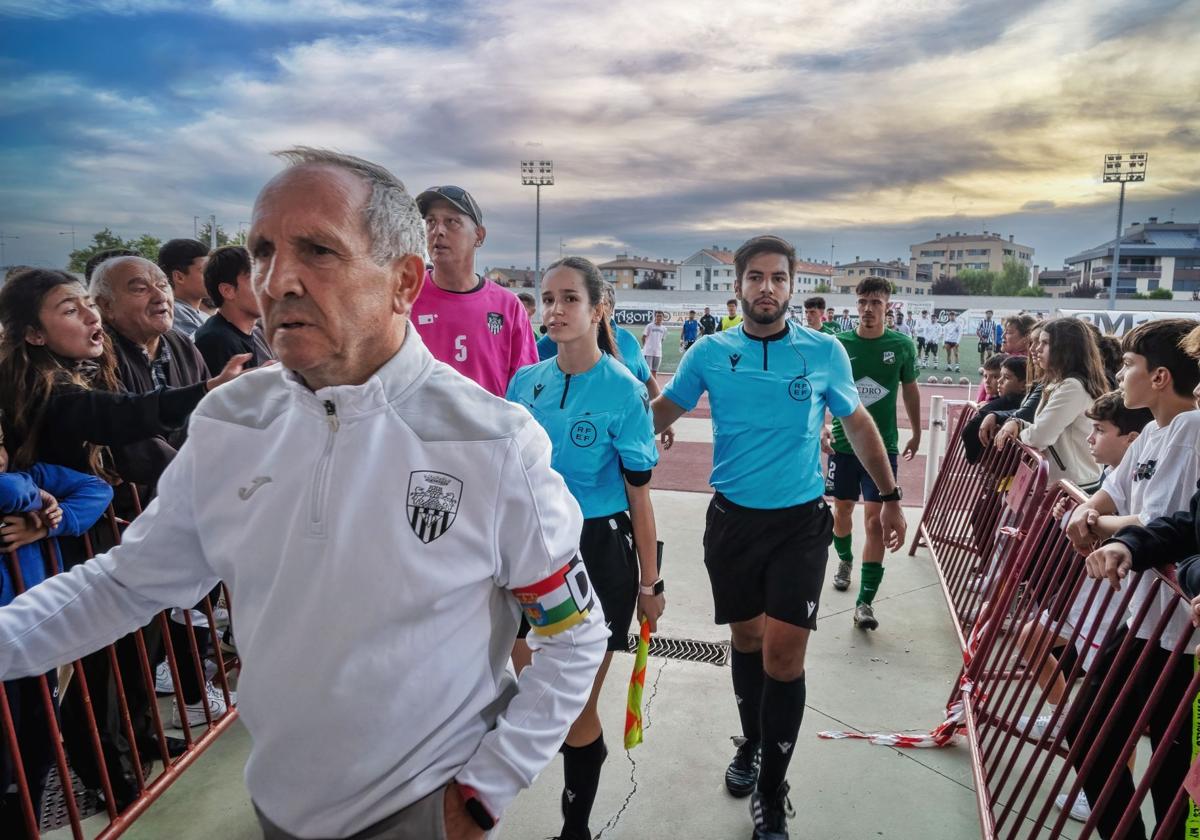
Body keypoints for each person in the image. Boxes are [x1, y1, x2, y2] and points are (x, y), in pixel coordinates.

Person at [0, 148, 608, 840]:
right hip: (276, 807)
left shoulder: (494, 443)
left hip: (423, 813)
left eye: (318, 250)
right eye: (261, 252)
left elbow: (572, 634)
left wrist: (480, 796)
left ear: (403, 281)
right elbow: (125, 584)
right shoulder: (232, 419)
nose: (277, 279)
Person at [650, 235, 906, 840]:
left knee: (784, 656)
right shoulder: (710, 352)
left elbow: (857, 421)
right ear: (738, 286)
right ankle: (755, 742)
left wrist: (890, 498)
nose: (768, 288)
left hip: (799, 523)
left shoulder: (824, 352)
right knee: (747, 638)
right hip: (733, 521)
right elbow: (665, 410)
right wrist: (616, 429)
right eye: (757, 278)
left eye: (779, 279)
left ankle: (771, 788)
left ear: (791, 287)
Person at [0, 267, 248, 807]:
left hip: (81, 539)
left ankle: (122, 750)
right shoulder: (40, 386)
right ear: (33, 334)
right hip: (43, 563)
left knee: (118, 660)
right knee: (78, 677)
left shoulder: (89, 367)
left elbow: (101, 464)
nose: (91, 317)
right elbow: (113, 420)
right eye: (71, 309)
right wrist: (207, 392)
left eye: (89, 303)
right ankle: (105, 776)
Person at [506, 256, 664, 840]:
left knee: (575, 706)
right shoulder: (526, 383)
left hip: (597, 555)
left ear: (599, 309)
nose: (554, 310)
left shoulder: (625, 391)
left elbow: (640, 498)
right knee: (532, 684)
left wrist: (651, 584)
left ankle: (576, 829)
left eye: (569, 298)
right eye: (547, 298)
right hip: (530, 549)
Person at [1070, 321, 1200, 840]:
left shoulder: (1191, 431)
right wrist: (1089, 515)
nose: (1120, 375)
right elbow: (1113, 497)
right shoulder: (1150, 432)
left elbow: (1160, 520)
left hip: (1176, 637)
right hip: (1142, 621)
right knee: (1087, 734)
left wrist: (1100, 527)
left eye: (1129, 366)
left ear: (1162, 377)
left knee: (1172, 776)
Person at [1013, 389, 1151, 824]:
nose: (1090, 439)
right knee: (1032, 637)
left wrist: (1092, 520)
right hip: (1094, 597)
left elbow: (1154, 519)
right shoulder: (1115, 475)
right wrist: (1080, 512)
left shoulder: (1161, 453)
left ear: (1130, 439)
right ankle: (1062, 719)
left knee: (1113, 712)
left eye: (1100, 430)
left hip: (1120, 603)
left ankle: (1104, 789)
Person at [0, 426, 113, 835]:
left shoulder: (33, 474)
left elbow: (97, 490)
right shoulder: (25, 482)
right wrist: (30, 493)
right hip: (4, 640)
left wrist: (48, 525)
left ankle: (25, 815)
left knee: (42, 731)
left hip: (35, 631)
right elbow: (8, 492)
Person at [824, 277, 920, 628]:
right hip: (844, 446)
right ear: (856, 305)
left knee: (876, 522)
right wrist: (821, 425)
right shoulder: (839, 344)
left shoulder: (902, 345)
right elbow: (823, 389)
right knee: (843, 511)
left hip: (885, 449)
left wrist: (917, 431)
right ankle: (845, 559)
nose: (867, 309)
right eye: (863, 301)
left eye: (875, 303)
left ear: (887, 307)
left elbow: (910, 390)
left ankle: (865, 602)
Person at [411, 185, 538, 397]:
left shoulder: (508, 306)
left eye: (452, 222)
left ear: (479, 235)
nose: (438, 231)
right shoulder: (405, 296)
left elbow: (526, 388)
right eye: (431, 221)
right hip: (415, 430)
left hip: (490, 430)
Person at [994, 318, 1107, 489]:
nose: (1037, 349)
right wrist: (1017, 423)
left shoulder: (1072, 387)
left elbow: (1039, 437)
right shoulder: (1059, 383)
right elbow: (1042, 428)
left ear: (1065, 348)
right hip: (1067, 482)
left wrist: (1019, 430)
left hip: (1074, 485)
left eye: (1045, 343)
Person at [193, 245, 274, 374]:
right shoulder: (217, 341)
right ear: (227, 291)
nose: (267, 288)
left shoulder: (240, 332)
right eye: (257, 280)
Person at [962, 356, 1026, 464]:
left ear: (1024, 384)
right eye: (985, 376)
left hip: (1006, 470)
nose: (1000, 381)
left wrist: (975, 459)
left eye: (1004, 377)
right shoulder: (1001, 400)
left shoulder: (1008, 400)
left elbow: (968, 431)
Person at [157, 238, 211, 337]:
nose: (213, 275)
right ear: (179, 277)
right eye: (206, 271)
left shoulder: (201, 315)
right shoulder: (176, 315)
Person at [641, 311, 668, 375]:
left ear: (663, 317)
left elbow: (662, 340)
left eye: (660, 316)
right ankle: (646, 385)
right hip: (649, 352)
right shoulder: (649, 326)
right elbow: (643, 337)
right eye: (657, 316)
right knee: (648, 371)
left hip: (658, 353)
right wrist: (646, 347)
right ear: (655, 317)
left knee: (654, 371)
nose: (659, 318)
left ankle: (654, 384)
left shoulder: (664, 329)